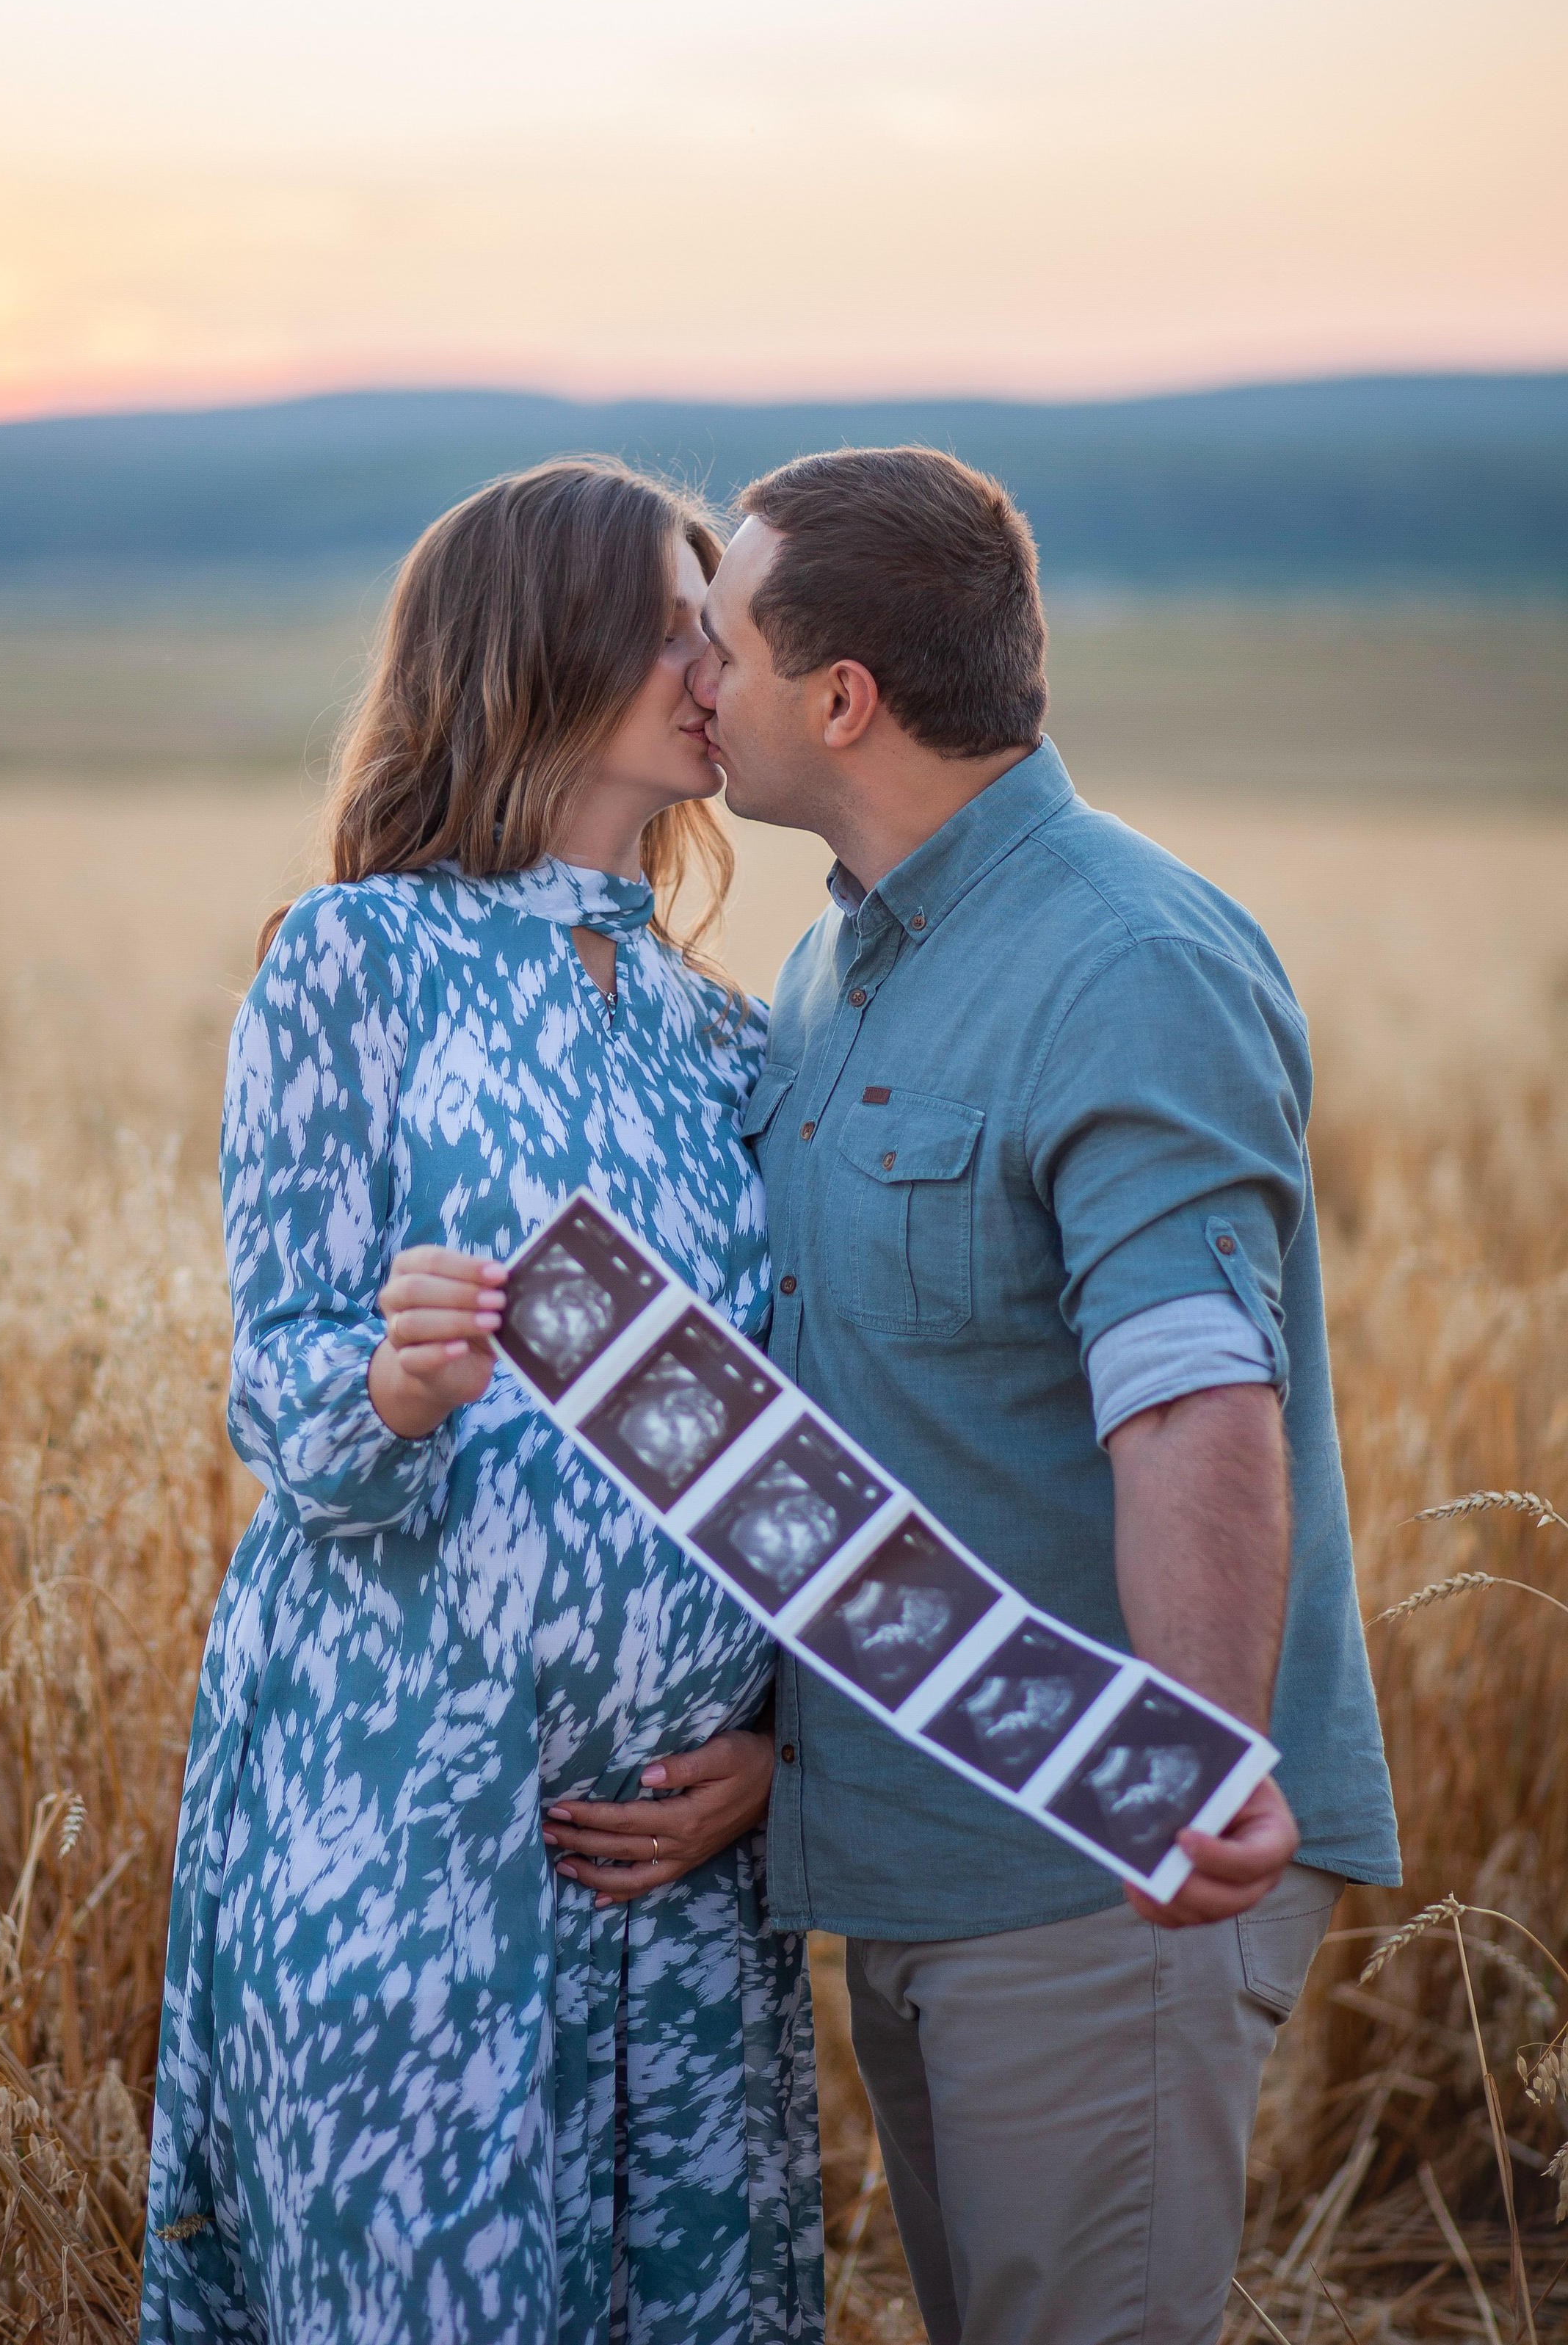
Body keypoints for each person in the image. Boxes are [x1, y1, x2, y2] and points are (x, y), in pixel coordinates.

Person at [689, 445, 1400, 2345]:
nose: (691, 681)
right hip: (907, 1841)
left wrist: (1179, 1773)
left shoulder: (1123, 960)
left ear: (841, 699)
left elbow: (1191, 1402)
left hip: (1099, 1865)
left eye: (719, 644)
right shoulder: (837, 965)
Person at [142, 458, 822, 2345]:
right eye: (683, 620)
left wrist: (775, 1760)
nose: (722, 658)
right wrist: (391, 1376)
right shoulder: (352, 961)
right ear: (546, 647)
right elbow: (275, 1376)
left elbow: (789, 1435)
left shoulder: (721, 1030)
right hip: (405, 1815)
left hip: (679, 1863)